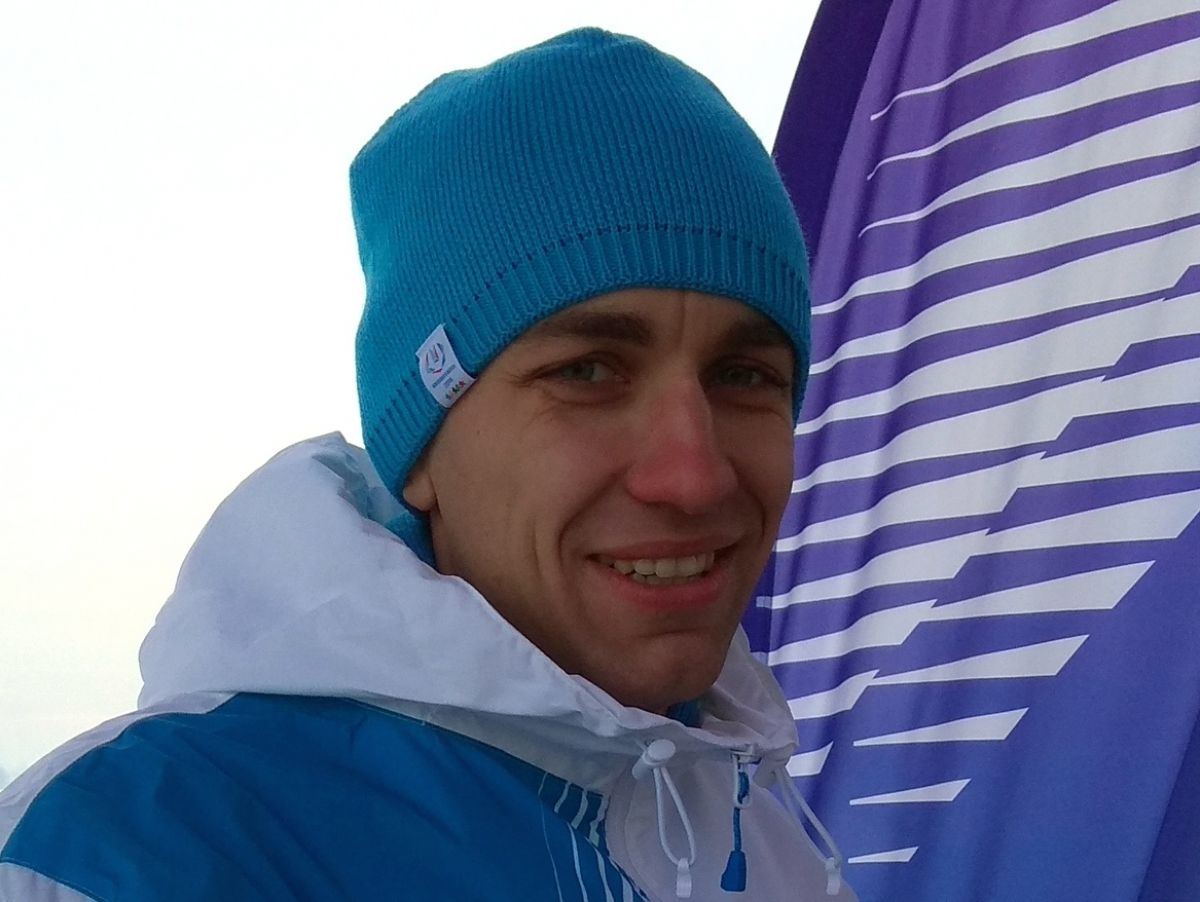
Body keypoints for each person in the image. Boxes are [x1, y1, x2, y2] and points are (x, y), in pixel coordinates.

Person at [0, 28, 855, 901]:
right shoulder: (121, 855)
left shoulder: (767, 839)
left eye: (744, 375)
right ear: (420, 455)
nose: (694, 476)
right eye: (587, 373)